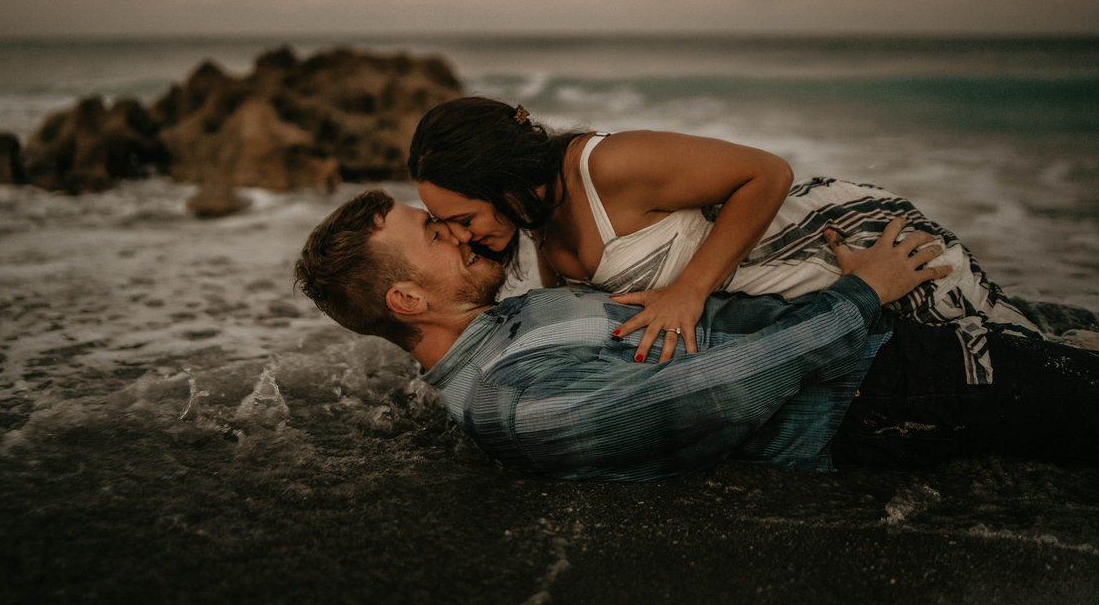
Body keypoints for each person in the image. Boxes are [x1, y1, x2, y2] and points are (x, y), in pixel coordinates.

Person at [293, 189, 1099, 481]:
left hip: (860, 343)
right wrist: (861, 295)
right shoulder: (511, 403)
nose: (462, 233)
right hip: (871, 392)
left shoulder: (507, 326)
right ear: (405, 299)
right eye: (437, 236)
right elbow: (716, 389)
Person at [407, 97, 1042, 385]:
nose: (463, 235)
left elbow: (767, 172)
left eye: (463, 217)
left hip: (851, 244)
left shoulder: (606, 166)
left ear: (503, 180)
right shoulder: (540, 226)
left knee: (1023, 358)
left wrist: (687, 292)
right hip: (824, 297)